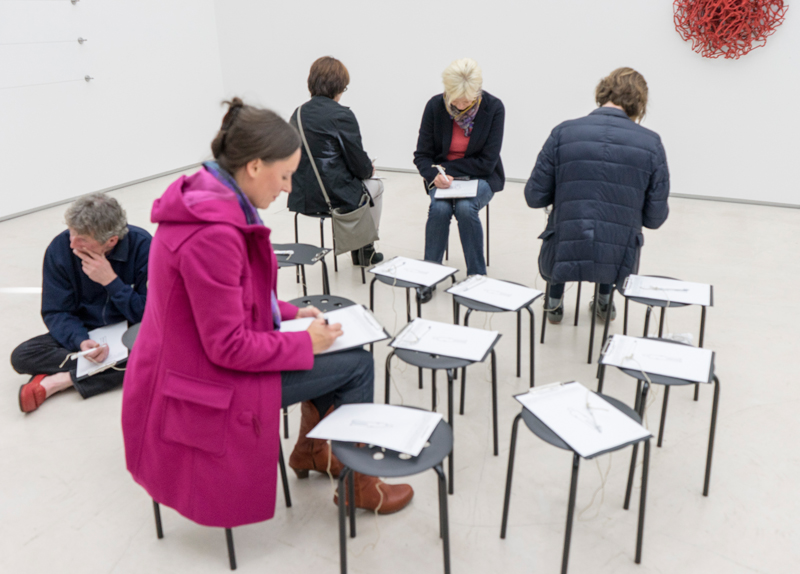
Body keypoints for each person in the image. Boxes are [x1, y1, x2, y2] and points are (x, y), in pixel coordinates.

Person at [121, 98, 413, 531]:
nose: (289, 188)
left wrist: (290, 312)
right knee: (356, 364)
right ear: (255, 166)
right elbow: (228, 347)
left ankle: (313, 451)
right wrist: (303, 341)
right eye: (286, 175)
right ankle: (358, 483)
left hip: (191, 366)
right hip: (207, 382)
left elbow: (227, 298)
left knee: (334, 352)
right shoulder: (213, 234)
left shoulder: (208, 200)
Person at [525, 67, 670, 324]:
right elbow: (654, 218)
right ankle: (604, 300)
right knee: (613, 231)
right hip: (618, 256)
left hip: (565, 244)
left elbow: (534, 196)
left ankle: (554, 302)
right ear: (640, 103)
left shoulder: (563, 133)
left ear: (603, 92)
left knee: (567, 227)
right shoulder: (651, 144)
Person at [11, 194, 151, 413]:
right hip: (85, 329)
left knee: (161, 349)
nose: (72, 243)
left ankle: (61, 380)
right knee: (22, 356)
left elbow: (150, 314)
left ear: (111, 241)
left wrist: (111, 282)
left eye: (82, 239)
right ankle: (101, 367)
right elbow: (56, 311)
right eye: (71, 232)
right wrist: (81, 341)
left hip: (130, 331)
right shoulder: (60, 249)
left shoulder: (144, 247)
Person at [413, 58, 505, 302]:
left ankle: (477, 276)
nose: (461, 106)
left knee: (465, 208)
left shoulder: (494, 108)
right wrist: (435, 174)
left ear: (477, 93)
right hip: (442, 179)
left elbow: (487, 162)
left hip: (480, 177)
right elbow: (422, 155)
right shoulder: (435, 106)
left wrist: (445, 167)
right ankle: (429, 274)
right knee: (440, 208)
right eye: (456, 100)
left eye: (467, 101)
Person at [289, 56, 384, 266]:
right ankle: (366, 248)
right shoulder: (342, 115)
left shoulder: (298, 113)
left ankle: (362, 248)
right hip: (334, 197)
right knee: (376, 186)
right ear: (338, 87)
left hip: (302, 196)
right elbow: (359, 165)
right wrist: (369, 169)